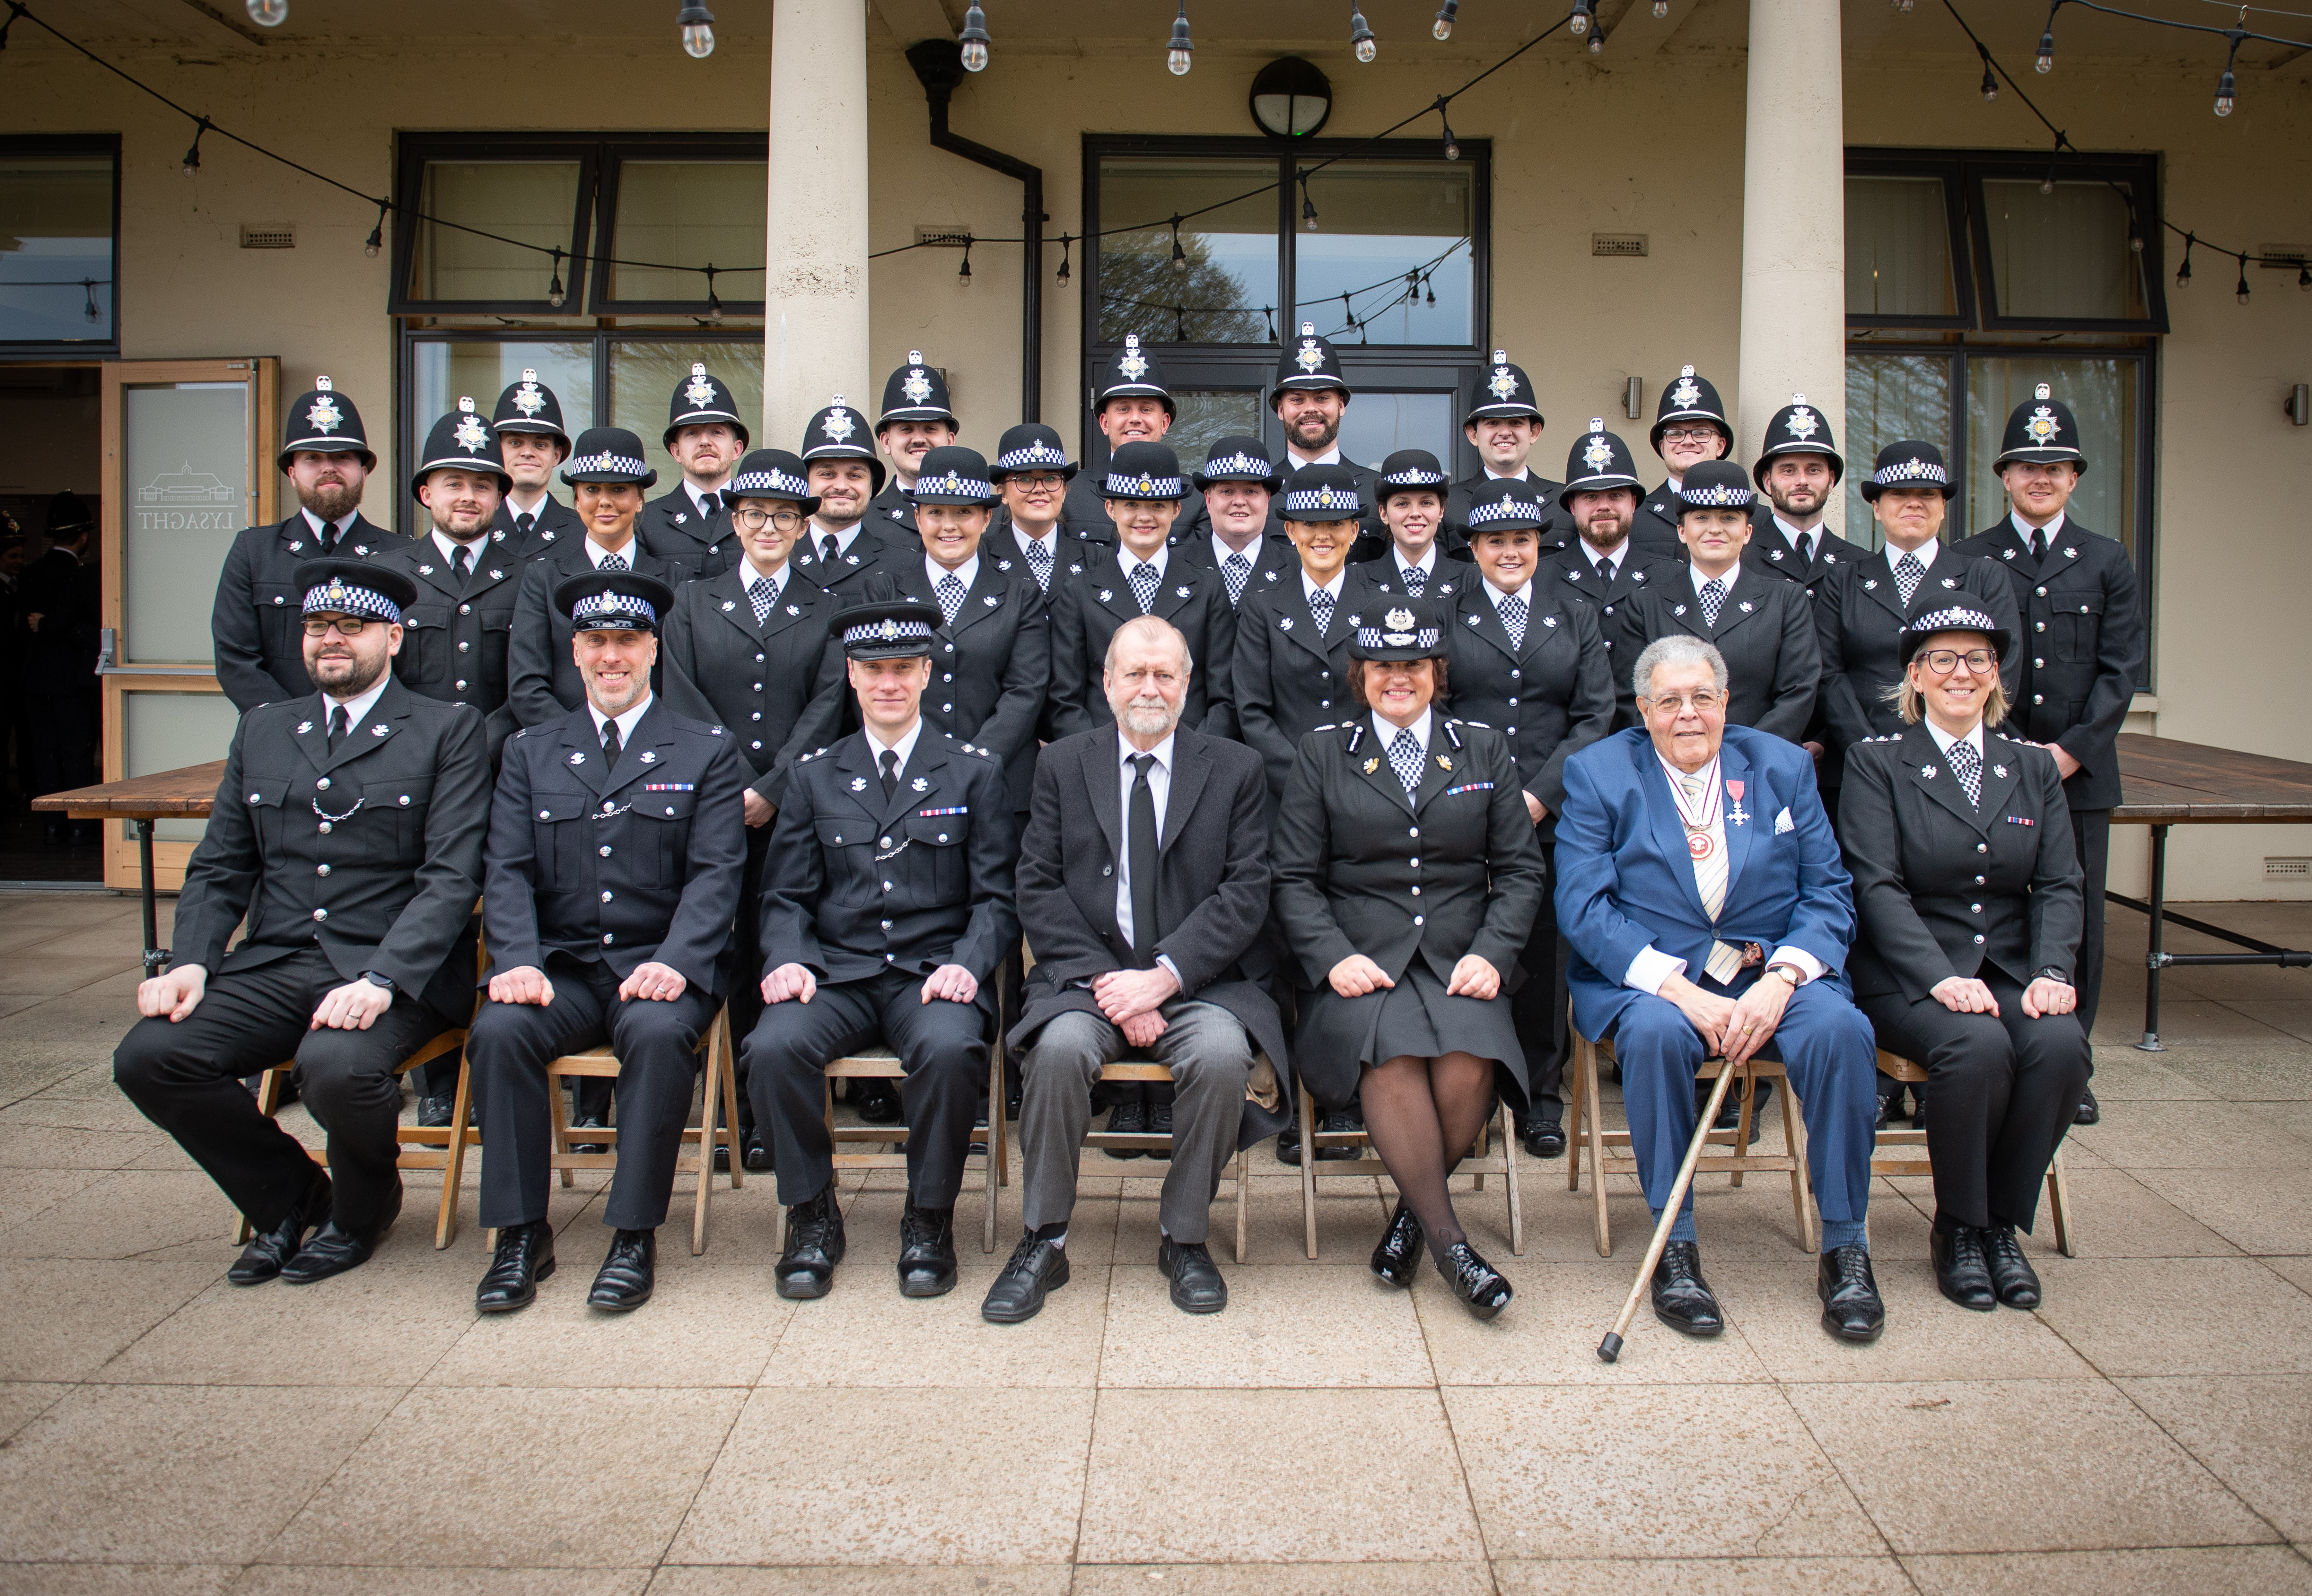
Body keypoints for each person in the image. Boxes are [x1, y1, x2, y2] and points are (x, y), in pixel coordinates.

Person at [113, 559, 489, 1286]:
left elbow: (452, 877)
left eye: (352, 626)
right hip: (277, 962)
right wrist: (191, 960)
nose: (332, 640)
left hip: (389, 974)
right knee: (149, 1057)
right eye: (319, 625)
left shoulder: (446, 730)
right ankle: (292, 1195)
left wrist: (384, 978)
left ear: (394, 637)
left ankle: (360, 1208)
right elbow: (222, 866)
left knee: (334, 1068)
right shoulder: (264, 730)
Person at [1556, 635, 1885, 1344]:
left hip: (1771, 971)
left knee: (1841, 1031)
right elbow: (1583, 908)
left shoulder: (1782, 766)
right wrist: (1678, 989)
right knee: (1654, 1035)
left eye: (1702, 697)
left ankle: (1845, 1246)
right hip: (1654, 979)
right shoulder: (1598, 772)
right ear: (1643, 710)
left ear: (1726, 702)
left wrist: (1784, 979)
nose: (1688, 714)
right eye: (1669, 700)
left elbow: (1828, 891)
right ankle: (1677, 1247)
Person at [987, 615, 1290, 1322]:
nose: (1149, 688)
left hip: (1200, 982)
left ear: (1188, 684)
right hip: (1088, 980)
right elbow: (1037, 885)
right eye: (1135, 673)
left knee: (1220, 1057)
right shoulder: (1062, 762)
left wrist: (1166, 976)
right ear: (1107, 681)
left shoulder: (1235, 767)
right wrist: (1111, 984)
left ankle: (1184, 1236)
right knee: (1058, 1051)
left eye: (1165, 674)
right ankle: (1045, 1238)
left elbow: (1247, 891)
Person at [466, 570, 747, 1315]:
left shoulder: (704, 749)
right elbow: (507, 869)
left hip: (661, 963)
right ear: (576, 651)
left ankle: (631, 1233)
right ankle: (523, 1234)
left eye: (627, 640)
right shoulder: (531, 751)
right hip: (560, 967)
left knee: (657, 1038)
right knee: (498, 1032)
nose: (611, 656)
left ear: (653, 649)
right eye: (597, 641)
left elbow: (718, 872)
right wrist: (518, 961)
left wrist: (679, 962)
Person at [1273, 596, 1544, 1318]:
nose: (1399, 678)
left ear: (1437, 671)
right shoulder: (1322, 750)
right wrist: (1332, 957)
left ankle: (1411, 1221)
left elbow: (1520, 871)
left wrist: (1493, 952)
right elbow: (1293, 877)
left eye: (1414, 664)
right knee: (1388, 1054)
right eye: (1384, 665)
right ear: (1360, 674)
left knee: (1466, 1061)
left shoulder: (1483, 746)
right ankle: (1453, 1245)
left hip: (1460, 955)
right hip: (1362, 959)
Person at [750, 577, 1020, 1300]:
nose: (889, 682)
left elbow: (998, 897)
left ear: (929, 672)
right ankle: (811, 1214)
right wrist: (787, 960)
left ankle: (928, 1216)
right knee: (773, 1045)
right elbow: (784, 895)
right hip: (836, 971)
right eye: (874, 669)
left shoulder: (974, 771)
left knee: (950, 1045)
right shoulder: (813, 776)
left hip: (931, 972)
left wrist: (968, 966)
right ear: (852, 674)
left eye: (904, 667)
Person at [1839, 608, 2090, 1313]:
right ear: (1915, 676)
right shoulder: (1878, 761)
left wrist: (2051, 972)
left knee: (2061, 1046)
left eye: (1977, 659)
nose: (1961, 673)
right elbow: (1874, 883)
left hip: (2010, 968)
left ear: (1995, 678)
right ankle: (1956, 1228)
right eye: (1942, 659)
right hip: (1909, 974)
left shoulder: (2032, 766)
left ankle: (1998, 1225)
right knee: (1976, 1046)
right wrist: (1940, 977)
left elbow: (2061, 883)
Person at [1951, 384, 2145, 1128]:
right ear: (2002, 475)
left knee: (2074, 913)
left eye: (2055, 468)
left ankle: (2072, 1061)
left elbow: (2118, 671)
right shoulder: (1972, 556)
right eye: (2026, 467)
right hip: (1987, 770)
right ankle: (1994, 1038)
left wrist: (2066, 753)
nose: (2040, 479)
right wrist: (2001, 752)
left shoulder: (2105, 560)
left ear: (2073, 478)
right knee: (1987, 902)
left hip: (2077, 772)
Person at [659, 447, 852, 1169]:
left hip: (798, 813)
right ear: (733, 520)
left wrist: (773, 788)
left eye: (783, 515)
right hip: (714, 810)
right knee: (730, 953)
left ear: (803, 525)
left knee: (789, 949)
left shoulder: (830, 608)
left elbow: (831, 704)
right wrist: (736, 783)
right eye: (753, 514)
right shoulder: (692, 603)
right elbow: (684, 698)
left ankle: (780, 1108)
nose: (768, 526)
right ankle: (734, 1111)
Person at [1444, 477, 1617, 1160]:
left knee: (1545, 955)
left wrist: (1540, 795)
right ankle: (1476, 1089)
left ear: (1539, 544)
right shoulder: (1447, 609)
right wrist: (1483, 793)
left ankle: (1540, 1098)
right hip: (1465, 808)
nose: (1510, 551)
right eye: (1496, 541)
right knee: (1472, 946)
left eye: (1522, 540)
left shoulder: (1573, 612)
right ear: (1475, 548)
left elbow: (1595, 714)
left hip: (1553, 813)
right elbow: (1432, 706)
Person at [879, 445, 1050, 828]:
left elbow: (1026, 691)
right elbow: (880, 688)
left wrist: (973, 765)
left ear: (987, 518)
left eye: (964, 512)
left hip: (1003, 785)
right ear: (918, 517)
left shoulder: (1020, 596)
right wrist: (930, 762)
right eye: (936, 512)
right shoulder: (887, 593)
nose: (949, 526)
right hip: (907, 781)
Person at [213, 376, 406, 712]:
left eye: (343, 458)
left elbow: (407, 663)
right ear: (291, 473)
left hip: (378, 745)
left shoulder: (401, 553)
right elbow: (236, 661)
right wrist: (295, 728)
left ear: (364, 471)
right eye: (312, 458)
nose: (328, 469)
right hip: (278, 742)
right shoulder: (253, 551)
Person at [1613, 461, 1818, 743]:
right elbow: (1631, 697)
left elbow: (1798, 693)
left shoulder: (1786, 601)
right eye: (1701, 518)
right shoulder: (1645, 605)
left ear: (1747, 532)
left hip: (1759, 765)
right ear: (1682, 531)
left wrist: (1740, 754)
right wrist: (1680, 752)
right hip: (1670, 766)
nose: (1715, 529)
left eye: (1729, 518)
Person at [1046, 440, 1235, 741]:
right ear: (1111, 509)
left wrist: (1198, 756)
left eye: (1158, 505)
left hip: (1190, 760)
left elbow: (1224, 696)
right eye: (1131, 504)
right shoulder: (1079, 591)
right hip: (1103, 762)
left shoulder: (1208, 589)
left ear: (1176, 510)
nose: (1144, 517)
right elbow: (1065, 700)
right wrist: (1098, 757)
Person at [509, 428, 683, 730]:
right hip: (563, 751)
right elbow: (527, 688)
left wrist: (634, 742)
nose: (604, 502)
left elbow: (680, 684)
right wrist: (587, 742)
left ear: (641, 499)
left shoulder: (675, 580)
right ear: (576, 500)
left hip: (655, 748)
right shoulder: (543, 579)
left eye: (619, 490)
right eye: (592, 490)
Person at [375, 399, 521, 749]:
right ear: (426, 494)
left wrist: (485, 742)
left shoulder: (528, 579)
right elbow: (375, 678)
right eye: (454, 485)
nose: (468, 497)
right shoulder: (386, 574)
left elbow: (532, 684)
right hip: (409, 756)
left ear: (500, 498)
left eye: (483, 486)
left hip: (499, 764)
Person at [1536, 420, 1680, 691]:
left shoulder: (1672, 577)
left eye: (1615, 495)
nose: (1604, 506)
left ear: (1634, 503)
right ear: (1572, 506)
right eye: (1591, 497)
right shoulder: (1539, 579)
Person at [1058, 336, 1209, 553]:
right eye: (1123, 409)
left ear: (1165, 422)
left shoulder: (1196, 498)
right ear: (1105, 423)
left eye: (1146, 409)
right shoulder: (1071, 493)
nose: (1135, 419)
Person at [19, 491, 101, 843]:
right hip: (72, 680)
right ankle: (80, 822)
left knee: (45, 751)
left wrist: (47, 625)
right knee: (76, 752)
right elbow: (88, 630)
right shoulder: (84, 577)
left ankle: (51, 824)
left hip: (36, 679)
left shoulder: (28, 575)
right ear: (83, 536)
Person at [1271, 323, 1381, 554]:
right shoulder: (1260, 492)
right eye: (1298, 400)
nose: (1310, 409)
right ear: (1280, 409)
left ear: (1341, 405)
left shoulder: (1376, 490)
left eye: (1322, 398)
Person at [1443, 351, 1563, 559]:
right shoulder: (1448, 505)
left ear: (1534, 432)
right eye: (1492, 423)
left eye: (1516, 423)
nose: (1505, 432)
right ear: (1473, 434)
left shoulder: (1564, 504)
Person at [637, 363, 742, 581]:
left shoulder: (761, 517)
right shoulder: (647, 522)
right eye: (692, 433)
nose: (705, 442)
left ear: (737, 449)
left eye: (717, 432)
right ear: (676, 452)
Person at [1632, 365, 1752, 553]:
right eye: (1676, 434)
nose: (1688, 441)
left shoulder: (1755, 516)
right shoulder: (1634, 518)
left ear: (1721, 446)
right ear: (1663, 447)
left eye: (1701, 433)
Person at [1175, 436, 1292, 612]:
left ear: (1267, 500)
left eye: (1251, 491)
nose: (1239, 501)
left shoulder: (1299, 568)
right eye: (1227, 491)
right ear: (1208, 500)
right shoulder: (1174, 566)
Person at [791, 396, 893, 597]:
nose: (841, 486)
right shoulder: (777, 558)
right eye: (827, 474)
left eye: (855, 476)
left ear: (872, 486)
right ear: (806, 483)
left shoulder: (902, 566)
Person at [865, 351, 960, 548]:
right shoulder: (864, 522)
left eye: (931, 429)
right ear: (886, 442)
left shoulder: (980, 514)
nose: (918, 439)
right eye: (906, 429)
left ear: (950, 440)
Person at [1351, 450, 1470, 603]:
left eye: (1426, 503)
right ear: (1384, 514)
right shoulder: (1357, 581)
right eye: (1402, 504)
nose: (1415, 513)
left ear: (1441, 511)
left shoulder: (1471, 580)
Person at [488, 369, 583, 557]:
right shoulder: (476, 526)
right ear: (498, 451)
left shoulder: (584, 533)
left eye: (540, 445)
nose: (528, 453)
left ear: (556, 455)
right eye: (515, 443)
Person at [988, 423, 1081, 598]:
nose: (1040, 489)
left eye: (1051, 478)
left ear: (1064, 491)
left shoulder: (1097, 560)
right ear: (1002, 493)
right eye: (1024, 479)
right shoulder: (980, 559)